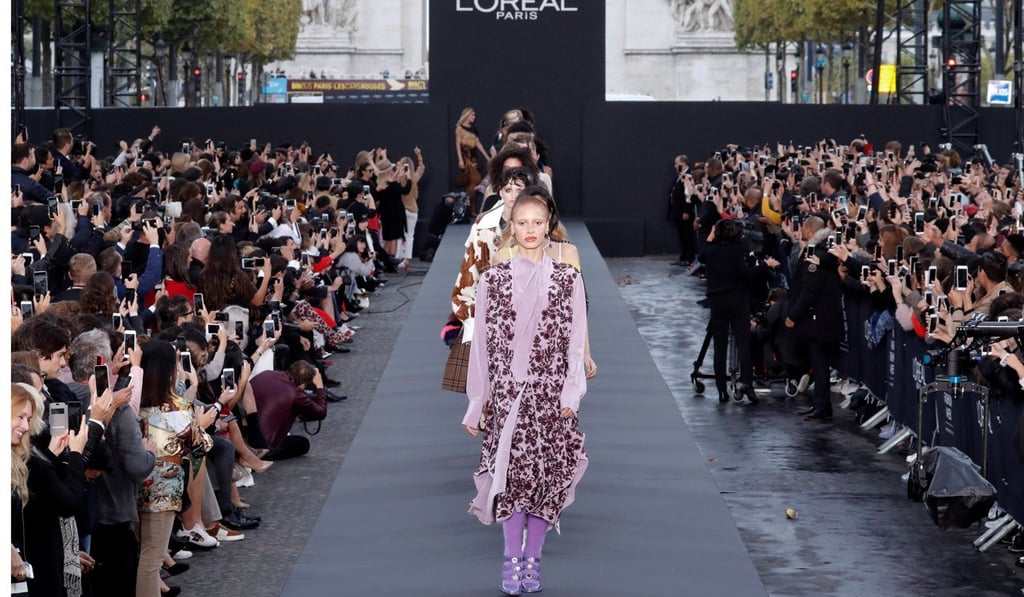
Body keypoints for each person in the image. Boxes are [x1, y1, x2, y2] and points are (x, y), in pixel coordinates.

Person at [462, 193, 589, 595]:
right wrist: (476, 403)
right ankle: (510, 558)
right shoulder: (491, 281)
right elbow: (480, 347)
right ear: (511, 228)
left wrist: (571, 395)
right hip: (506, 399)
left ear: (549, 224)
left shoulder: (569, 279)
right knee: (510, 480)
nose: (531, 230)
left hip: (551, 398)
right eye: (523, 223)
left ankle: (533, 556)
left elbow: (575, 342)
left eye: (537, 222)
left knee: (546, 481)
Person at [699, 218, 778, 403]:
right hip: (738, 300)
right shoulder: (738, 250)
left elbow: (701, 256)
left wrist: (710, 237)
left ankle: (721, 390)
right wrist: (765, 265)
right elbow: (747, 274)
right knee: (743, 342)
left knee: (719, 346)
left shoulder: (710, 251)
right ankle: (747, 385)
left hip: (717, 301)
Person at [455, 107, 490, 197]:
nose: (474, 117)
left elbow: (478, 144)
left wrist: (487, 157)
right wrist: (460, 160)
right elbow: (457, 144)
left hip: (473, 156)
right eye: (472, 115)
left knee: (476, 180)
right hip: (465, 156)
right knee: (472, 180)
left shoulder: (474, 128)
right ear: (467, 115)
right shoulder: (459, 128)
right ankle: (470, 205)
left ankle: (471, 204)